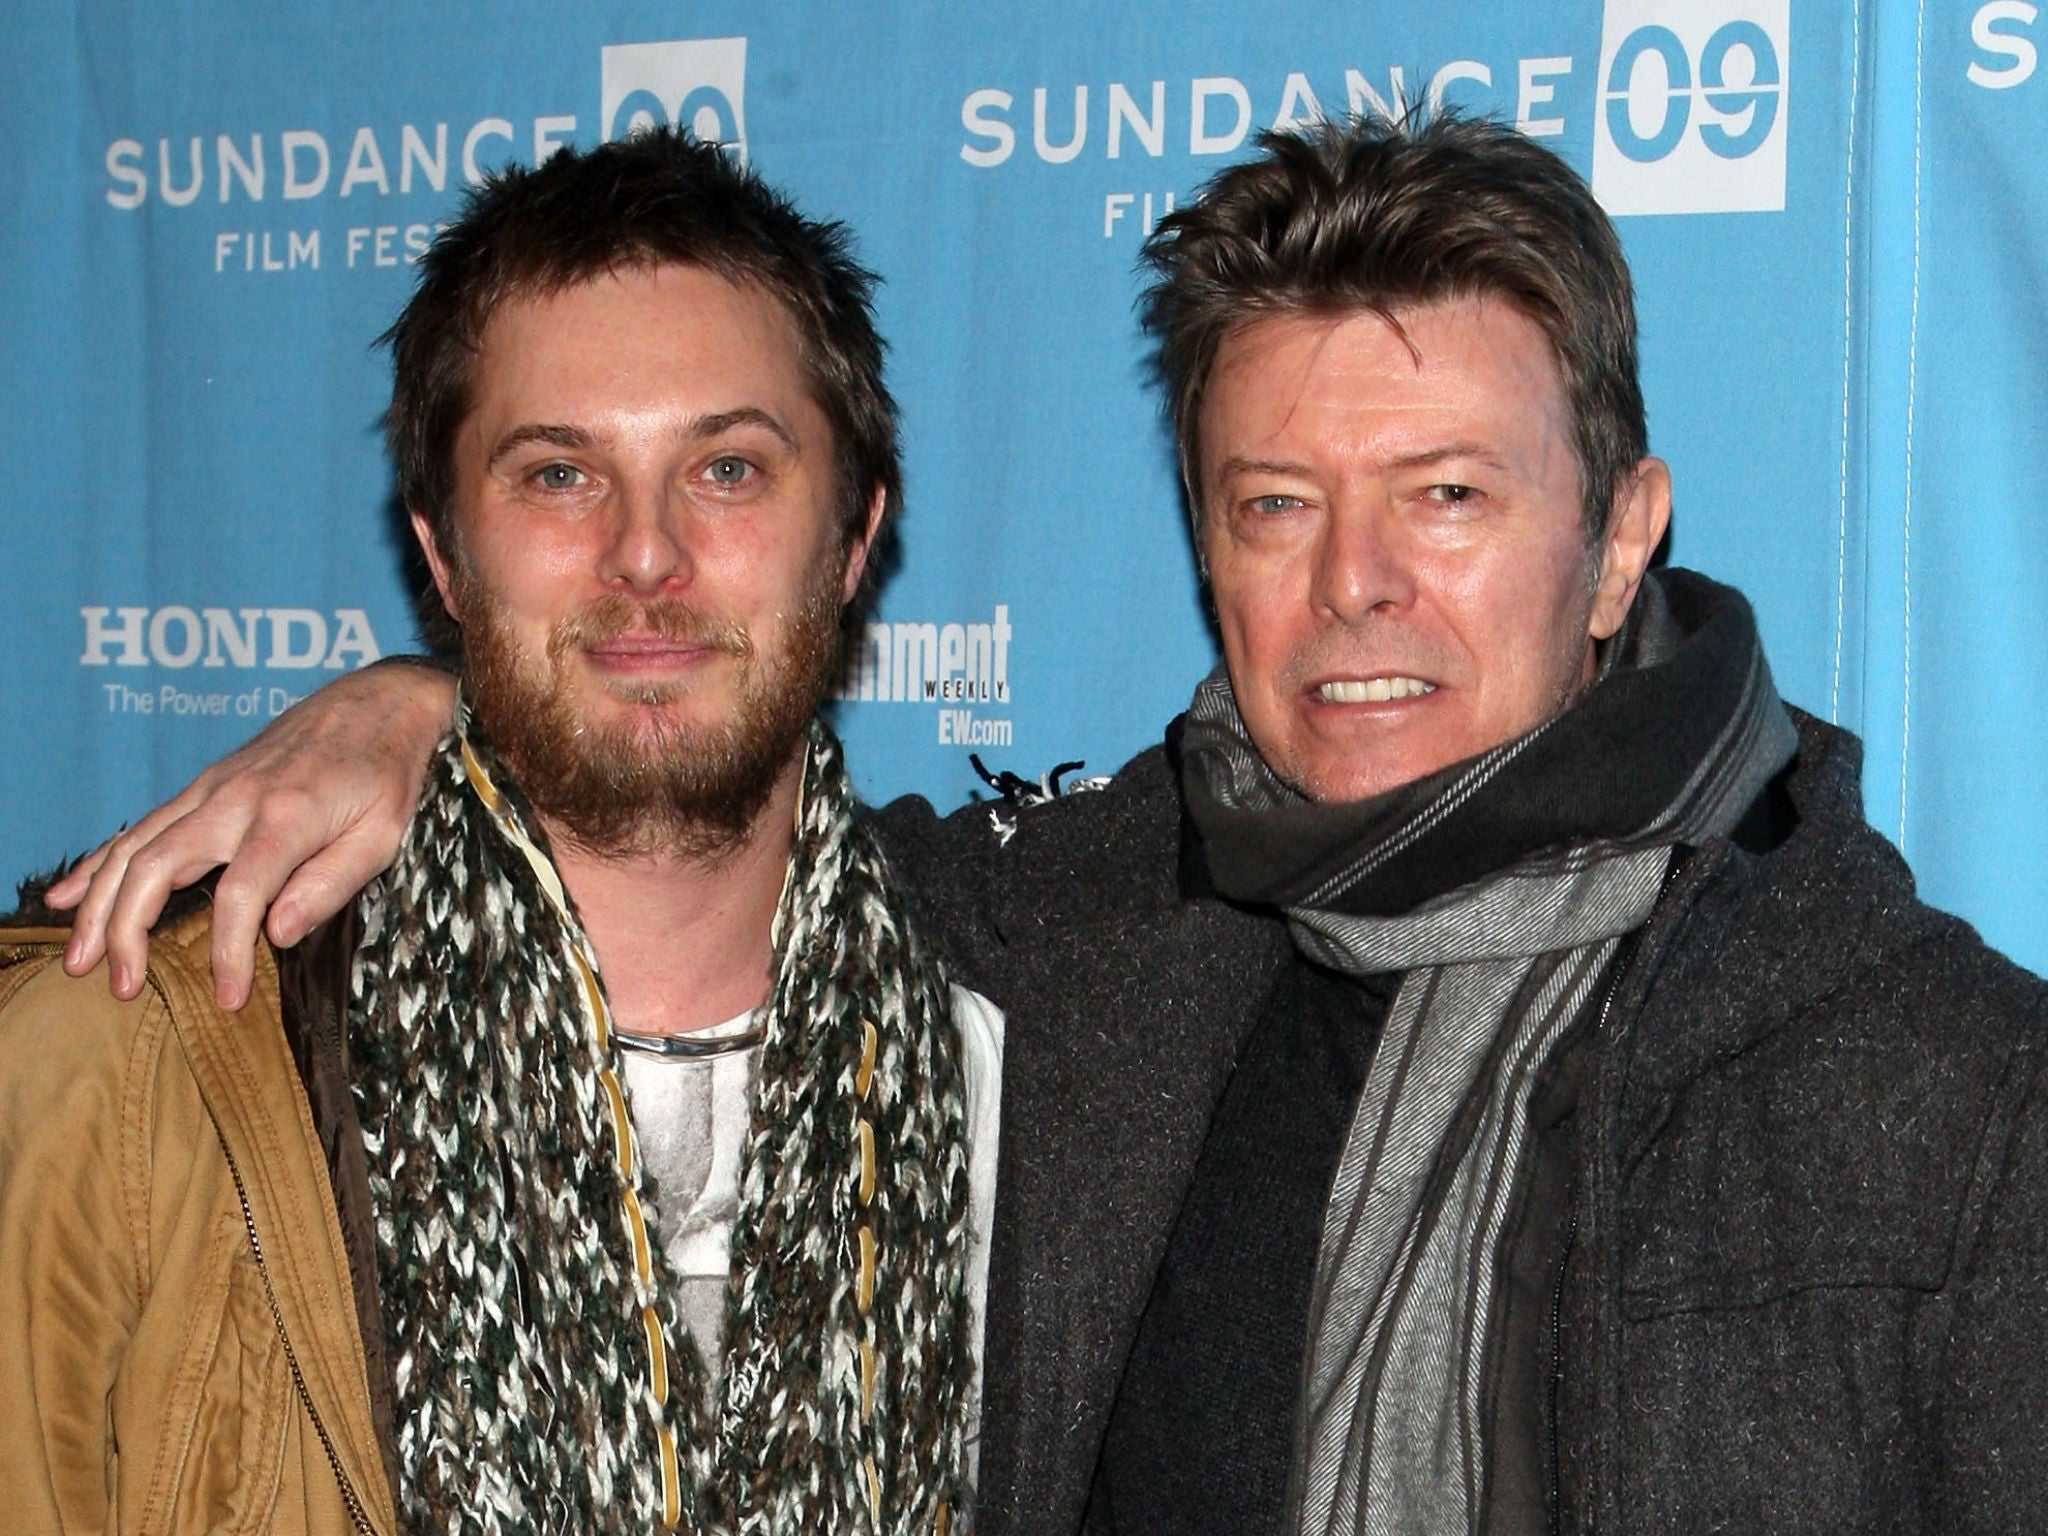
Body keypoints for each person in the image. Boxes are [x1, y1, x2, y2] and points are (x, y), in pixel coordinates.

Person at [48, 115, 2048, 1534]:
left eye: (1444, 496)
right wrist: (423, 708)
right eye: (1275, 505)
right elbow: (688, 812)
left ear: (1620, 538)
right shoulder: (1096, 948)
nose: (1352, 586)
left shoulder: (1942, 1093)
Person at [2, 128, 1002, 1536]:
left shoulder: (1036, 1055)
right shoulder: (121, 1068)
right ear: (443, 560)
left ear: (851, 540)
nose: (644, 555)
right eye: (556, 475)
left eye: (727, 470)